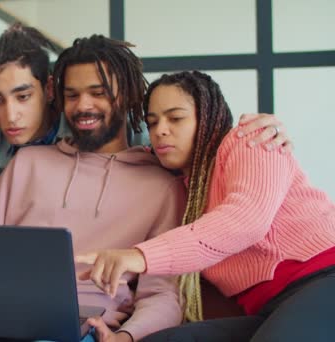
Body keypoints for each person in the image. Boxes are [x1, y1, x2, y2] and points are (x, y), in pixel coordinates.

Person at [0, 34, 185, 342]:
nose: (83, 106)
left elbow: (163, 295)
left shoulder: (162, 188)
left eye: (97, 93)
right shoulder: (28, 162)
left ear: (128, 95)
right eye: (72, 95)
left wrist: (126, 336)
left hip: (81, 326)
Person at [0, 23, 289, 223]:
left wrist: (250, 135)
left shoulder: (118, 138)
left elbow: (189, 132)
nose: (9, 116)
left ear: (47, 91)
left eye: (22, 97)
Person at [77, 71, 335, 342]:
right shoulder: (177, 183)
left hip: (322, 280)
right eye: (152, 123)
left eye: (176, 118)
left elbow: (246, 220)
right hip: (268, 309)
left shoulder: (250, 141)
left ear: (210, 117)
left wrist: (138, 257)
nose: (161, 130)